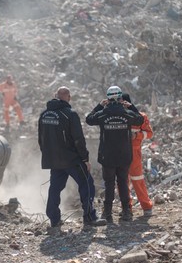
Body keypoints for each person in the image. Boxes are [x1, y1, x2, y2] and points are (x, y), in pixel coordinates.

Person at [38, 86, 106, 230]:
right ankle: (89, 217)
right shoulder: (70, 114)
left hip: (54, 160)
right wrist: (85, 158)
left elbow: (41, 139)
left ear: (55, 95)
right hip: (72, 159)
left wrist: (48, 155)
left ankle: (54, 220)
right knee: (87, 184)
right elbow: (78, 139)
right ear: (68, 97)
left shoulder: (44, 114)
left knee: (55, 189)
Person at [85, 86, 144, 223]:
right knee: (123, 183)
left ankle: (107, 213)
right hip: (124, 155)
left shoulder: (102, 114)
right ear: (120, 98)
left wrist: (99, 106)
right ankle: (126, 212)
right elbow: (140, 120)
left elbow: (89, 119)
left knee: (109, 184)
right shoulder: (127, 114)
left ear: (108, 98)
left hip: (107, 156)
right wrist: (131, 107)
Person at [121, 93, 154, 217]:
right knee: (122, 182)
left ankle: (146, 206)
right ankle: (126, 207)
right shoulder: (117, 117)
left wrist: (137, 136)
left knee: (137, 180)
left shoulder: (140, 117)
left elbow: (149, 133)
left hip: (134, 153)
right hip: (120, 153)